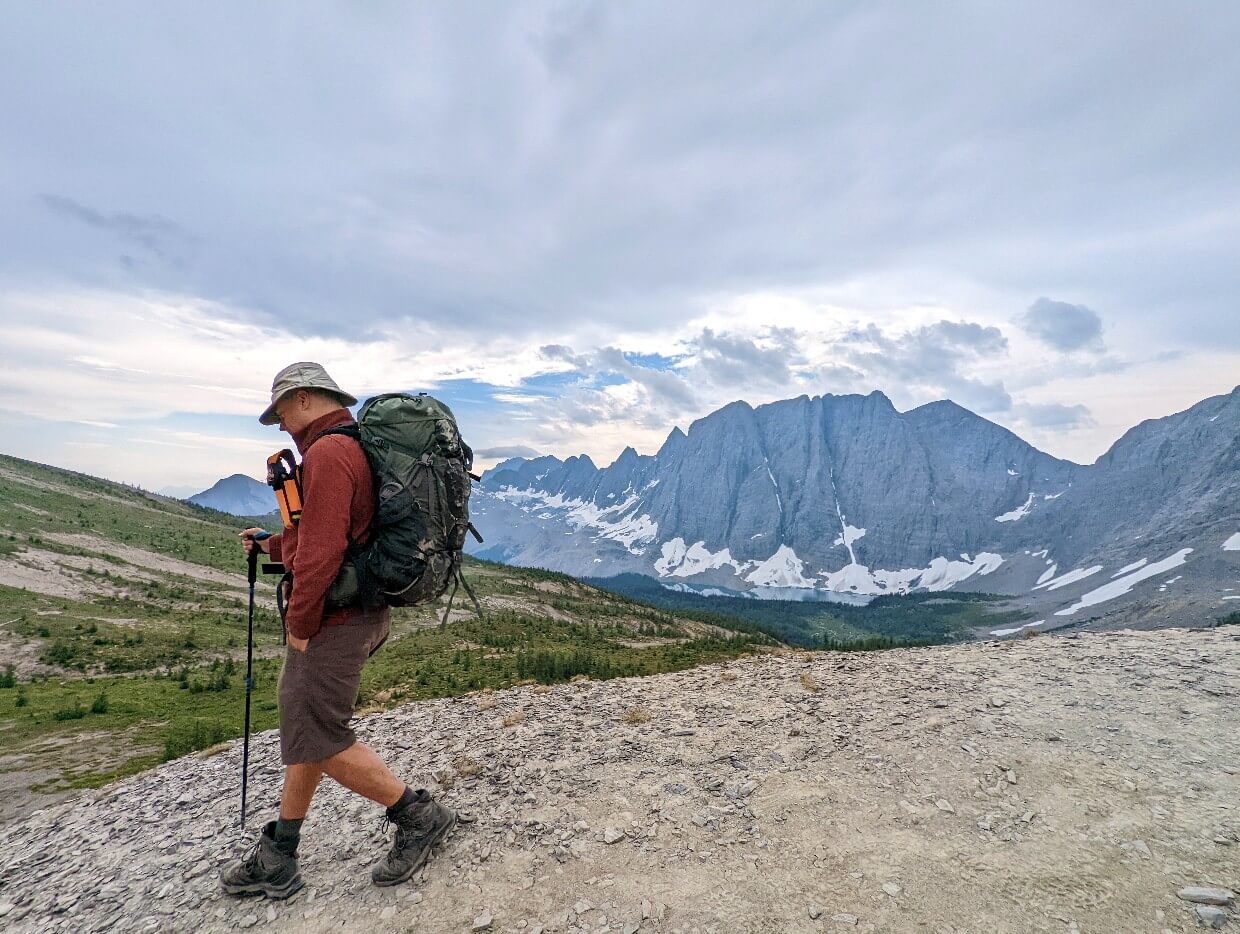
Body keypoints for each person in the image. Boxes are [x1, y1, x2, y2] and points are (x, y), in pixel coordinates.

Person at [219, 362, 458, 899]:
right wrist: (272, 546)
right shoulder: (345, 447)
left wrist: (301, 623)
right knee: (308, 731)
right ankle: (280, 850)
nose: (280, 424)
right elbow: (333, 535)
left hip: (335, 621)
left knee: (321, 736)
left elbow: (324, 552)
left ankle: (418, 815)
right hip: (357, 612)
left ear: (304, 398)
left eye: (280, 411)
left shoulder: (328, 453)